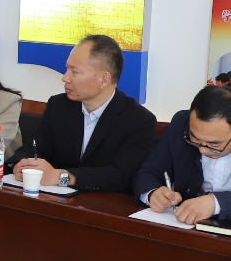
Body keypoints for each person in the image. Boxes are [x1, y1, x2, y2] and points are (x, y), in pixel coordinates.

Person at [132, 84, 231, 228]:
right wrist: (153, 193)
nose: (202, 150)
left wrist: (216, 203)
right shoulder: (181, 124)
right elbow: (148, 173)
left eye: (214, 144)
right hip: (189, 230)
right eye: (194, 139)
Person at [14, 34, 157, 193]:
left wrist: (62, 177)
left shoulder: (138, 120)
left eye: (75, 71)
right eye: (67, 69)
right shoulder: (59, 106)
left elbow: (120, 176)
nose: (65, 78)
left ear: (103, 79)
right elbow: (34, 149)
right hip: (55, 200)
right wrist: (21, 164)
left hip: (103, 204)